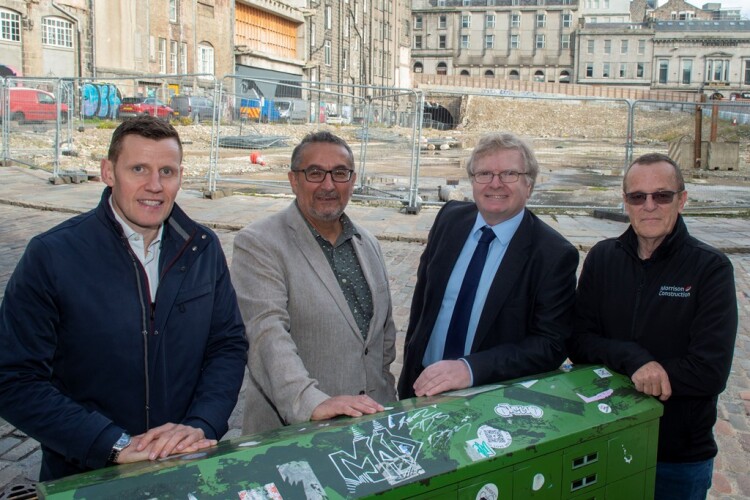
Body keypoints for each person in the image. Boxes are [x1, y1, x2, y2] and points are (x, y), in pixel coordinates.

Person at [0, 115, 249, 480]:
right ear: (107, 172)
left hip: (184, 463)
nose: (154, 185)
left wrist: (202, 423)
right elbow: (14, 378)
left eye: (167, 171)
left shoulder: (203, 248)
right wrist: (111, 445)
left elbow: (226, 345)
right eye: (138, 169)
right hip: (86, 474)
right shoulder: (52, 255)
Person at [567, 153, 737, 500]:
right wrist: (635, 360)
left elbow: (709, 371)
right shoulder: (603, 258)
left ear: (682, 200)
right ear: (625, 202)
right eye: (637, 196)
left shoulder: (710, 268)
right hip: (603, 436)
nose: (649, 206)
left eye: (662, 195)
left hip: (676, 455)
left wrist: (634, 367)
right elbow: (578, 340)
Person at [232, 131, 397, 434]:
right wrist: (310, 402)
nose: (329, 185)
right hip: (297, 435)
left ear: (353, 179)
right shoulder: (259, 243)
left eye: (340, 173)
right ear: (293, 180)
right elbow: (266, 334)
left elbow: (382, 341)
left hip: (371, 427)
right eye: (315, 173)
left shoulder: (368, 242)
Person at [398, 132, 579, 399]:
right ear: (473, 181)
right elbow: (423, 303)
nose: (495, 184)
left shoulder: (553, 254)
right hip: (421, 385)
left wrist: (470, 369)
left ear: (529, 184)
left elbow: (550, 345)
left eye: (509, 174)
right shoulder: (449, 219)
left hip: (487, 396)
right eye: (484, 174)